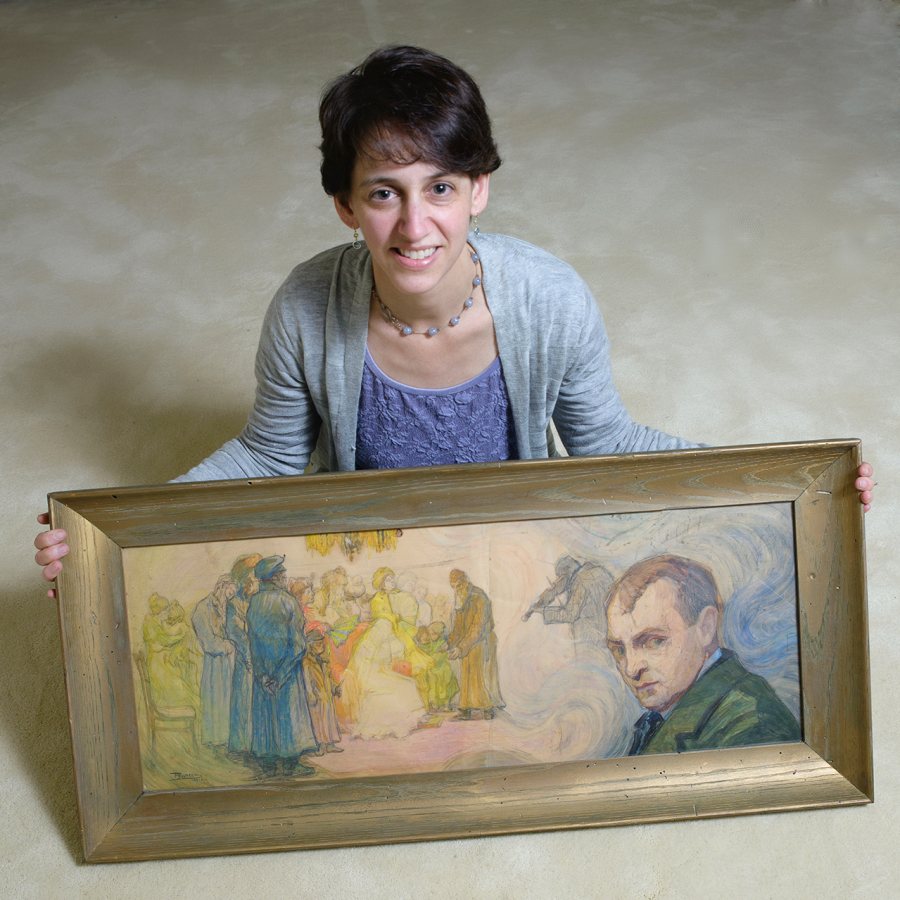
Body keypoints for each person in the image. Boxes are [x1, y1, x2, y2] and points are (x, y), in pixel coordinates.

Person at [33, 44, 875, 589]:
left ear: (479, 189)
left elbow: (609, 446)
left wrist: (795, 479)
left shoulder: (549, 298)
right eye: (383, 194)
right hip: (366, 556)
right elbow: (268, 456)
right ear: (345, 208)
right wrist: (113, 534)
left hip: (515, 552)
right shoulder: (303, 306)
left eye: (439, 187)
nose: (414, 225)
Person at [604, 554, 801, 756]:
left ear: (706, 627)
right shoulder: (657, 720)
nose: (631, 668)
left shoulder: (753, 723)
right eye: (620, 650)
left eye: (654, 641)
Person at [246, 555, 318, 777]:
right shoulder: (288, 601)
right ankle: (290, 764)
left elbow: (253, 642)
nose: (285, 579)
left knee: (265, 713)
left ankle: (268, 764)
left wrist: (263, 675)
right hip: (286, 670)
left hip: (263, 671)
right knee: (289, 713)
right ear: (275, 577)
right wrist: (281, 674)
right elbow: (297, 644)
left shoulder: (254, 603)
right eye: (283, 575)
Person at [522, 555, 614, 657]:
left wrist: (542, 610)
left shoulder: (581, 581)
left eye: (560, 577)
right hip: (610, 637)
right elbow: (560, 586)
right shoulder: (600, 572)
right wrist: (551, 592)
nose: (558, 580)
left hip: (589, 641)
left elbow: (569, 614)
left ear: (566, 573)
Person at [446, 569, 505, 720]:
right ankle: (465, 709)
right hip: (468, 641)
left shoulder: (479, 597)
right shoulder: (460, 598)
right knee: (466, 674)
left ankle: (487, 707)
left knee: (478, 675)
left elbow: (477, 627)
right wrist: (450, 644)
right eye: (453, 587)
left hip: (482, 639)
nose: (456, 590)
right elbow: (458, 627)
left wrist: (461, 647)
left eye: (458, 586)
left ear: (465, 582)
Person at [190, 574, 237, 747]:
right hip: (214, 663)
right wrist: (227, 645)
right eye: (230, 591)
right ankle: (215, 740)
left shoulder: (228, 607)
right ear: (222, 587)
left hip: (229, 660)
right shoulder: (203, 608)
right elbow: (208, 642)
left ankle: (227, 739)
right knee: (216, 698)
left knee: (228, 698)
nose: (232, 595)